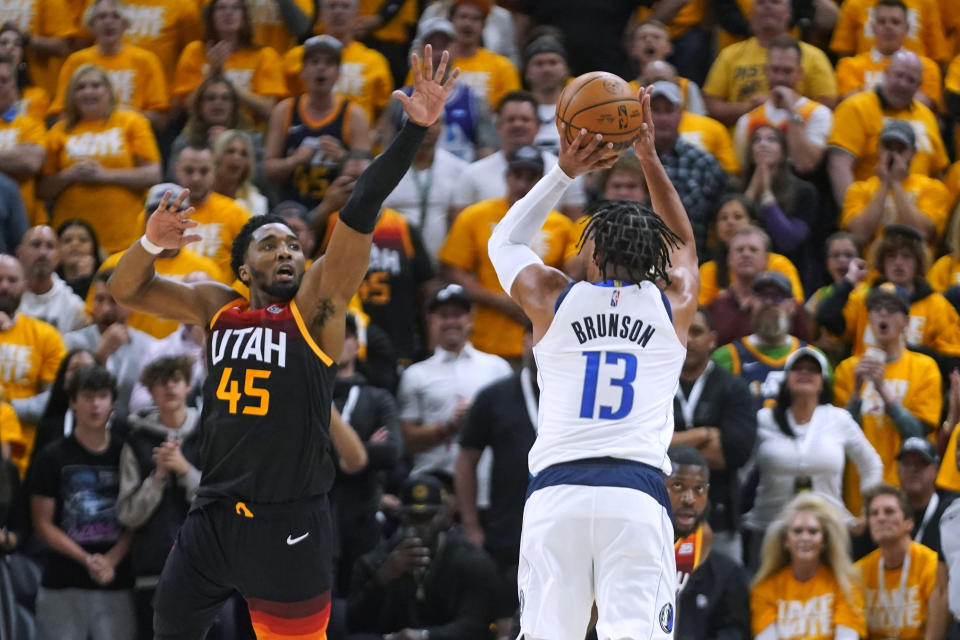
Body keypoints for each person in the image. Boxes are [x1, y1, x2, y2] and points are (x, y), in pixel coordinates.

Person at [105, 44, 454, 638]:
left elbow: (361, 205)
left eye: (293, 244)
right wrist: (151, 242)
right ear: (243, 268)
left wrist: (412, 130)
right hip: (213, 513)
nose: (288, 250)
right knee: (168, 628)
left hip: (289, 519)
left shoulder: (318, 311)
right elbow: (127, 288)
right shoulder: (218, 306)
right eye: (270, 244)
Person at [486, 85, 699, 637]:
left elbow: (504, 245)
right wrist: (649, 157)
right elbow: (685, 251)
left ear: (593, 253)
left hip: (557, 494)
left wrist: (563, 171)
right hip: (635, 494)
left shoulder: (554, 299)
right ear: (653, 260)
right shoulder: (669, 304)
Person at [743, 346, 883, 567]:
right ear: (786, 379)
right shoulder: (764, 419)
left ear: (823, 381)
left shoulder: (839, 419)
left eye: (813, 369)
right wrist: (739, 509)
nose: (805, 372)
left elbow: (871, 464)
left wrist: (867, 510)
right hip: (769, 529)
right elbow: (741, 468)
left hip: (830, 532)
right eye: (797, 368)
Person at [440, 144, 577, 361]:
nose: (522, 184)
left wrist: (537, 303)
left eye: (531, 177)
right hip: (486, 343)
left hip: (542, 347)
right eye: (517, 175)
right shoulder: (474, 216)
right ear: (506, 177)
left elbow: (573, 279)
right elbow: (452, 270)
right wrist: (498, 300)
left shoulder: (562, 226)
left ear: (542, 181)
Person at [29, 365, 136, 640]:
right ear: (73, 402)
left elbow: (138, 515)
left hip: (116, 581)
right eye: (87, 396)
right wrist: (88, 560)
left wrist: (110, 560)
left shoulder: (127, 452)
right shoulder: (52, 457)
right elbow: (42, 523)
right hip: (62, 583)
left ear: (112, 403)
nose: (95, 404)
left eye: (102, 396)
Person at [345, 473, 502, 639]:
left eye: (428, 517)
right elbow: (354, 624)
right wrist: (381, 579)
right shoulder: (375, 561)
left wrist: (425, 636)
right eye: (413, 517)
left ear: (444, 516)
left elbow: (476, 625)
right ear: (401, 516)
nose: (420, 527)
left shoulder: (471, 560)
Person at [455, 320, 538, 630]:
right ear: (523, 342)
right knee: (504, 624)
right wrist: (471, 526)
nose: (539, 345)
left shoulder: (577, 394)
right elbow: (466, 461)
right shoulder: (494, 396)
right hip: (506, 530)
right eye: (534, 336)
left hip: (561, 526)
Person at [833, 282, 943, 515]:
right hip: (858, 495)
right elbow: (840, 436)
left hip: (905, 498)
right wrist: (856, 391)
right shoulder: (847, 369)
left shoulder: (925, 368)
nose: (883, 313)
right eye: (877, 308)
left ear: (906, 321)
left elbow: (916, 433)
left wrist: (882, 388)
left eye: (892, 309)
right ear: (869, 318)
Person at [116, 355, 201, 639]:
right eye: (161, 383)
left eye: (176, 380)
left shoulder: (209, 433)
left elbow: (226, 503)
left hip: (206, 571)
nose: (169, 388)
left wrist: (185, 470)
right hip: (153, 570)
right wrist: (159, 477)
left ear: (188, 385)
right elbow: (127, 514)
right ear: (150, 391)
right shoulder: (136, 440)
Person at [396, 284, 511, 492]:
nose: (450, 322)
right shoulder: (415, 374)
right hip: (433, 486)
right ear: (431, 320)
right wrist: (449, 426)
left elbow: (512, 428)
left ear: (470, 318)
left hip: (489, 484)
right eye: (443, 315)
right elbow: (407, 440)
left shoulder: (497, 368)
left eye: (457, 315)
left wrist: (479, 417)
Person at [38, 64, 162, 255]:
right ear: (71, 95)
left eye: (95, 86)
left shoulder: (132, 121)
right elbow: (43, 189)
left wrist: (104, 175)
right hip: (72, 240)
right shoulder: (58, 131)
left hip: (124, 235)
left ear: (109, 91)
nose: (88, 92)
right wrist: (69, 175)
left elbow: (153, 174)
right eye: (81, 87)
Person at [672, 308, 757, 562]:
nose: (687, 339)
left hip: (720, 519)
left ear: (713, 339)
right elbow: (641, 443)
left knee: (724, 597)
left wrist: (670, 442)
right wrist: (704, 434)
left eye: (696, 332)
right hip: (657, 519)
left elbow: (734, 453)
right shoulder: (653, 382)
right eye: (682, 331)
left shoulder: (734, 388)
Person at [330, 313, 401, 596]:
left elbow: (392, 451)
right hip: (319, 514)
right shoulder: (306, 395)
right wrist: (359, 450)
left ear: (356, 344)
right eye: (330, 334)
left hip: (363, 514)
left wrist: (338, 455)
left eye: (345, 335)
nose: (336, 341)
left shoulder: (377, 396)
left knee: (362, 598)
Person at [264, 34, 372, 211]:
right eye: (314, 62)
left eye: (329, 63)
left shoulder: (354, 115)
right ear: (303, 71)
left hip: (338, 211)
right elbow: (268, 170)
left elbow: (366, 176)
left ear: (338, 73)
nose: (321, 68)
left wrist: (343, 158)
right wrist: (294, 160)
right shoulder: (284, 110)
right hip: (291, 210)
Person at [827, 50, 947, 208]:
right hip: (870, 208)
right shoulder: (855, 107)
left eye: (911, 80)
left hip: (916, 213)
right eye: (899, 75)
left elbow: (937, 173)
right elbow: (839, 165)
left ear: (919, 86)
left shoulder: (927, 116)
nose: (903, 84)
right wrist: (852, 213)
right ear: (886, 73)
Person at [452, 90, 586, 219]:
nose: (518, 124)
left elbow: (574, 232)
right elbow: (460, 230)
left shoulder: (563, 173)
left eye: (525, 119)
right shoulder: (472, 174)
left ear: (538, 126)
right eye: (511, 119)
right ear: (498, 126)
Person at [702, 0, 838, 126]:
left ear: (789, 12)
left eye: (775, 2)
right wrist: (750, 108)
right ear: (752, 13)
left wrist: (782, 104)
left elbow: (827, 104)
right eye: (761, 3)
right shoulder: (729, 55)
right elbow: (711, 105)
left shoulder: (814, 56)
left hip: (797, 136)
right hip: (744, 139)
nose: (768, 6)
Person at [750, 493, 867, 639]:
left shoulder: (846, 586)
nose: (805, 538)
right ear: (786, 540)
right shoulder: (765, 589)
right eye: (797, 531)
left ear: (824, 541)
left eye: (813, 531)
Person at [666, 445, 751, 640]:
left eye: (699, 489)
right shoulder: (628, 559)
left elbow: (733, 633)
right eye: (678, 486)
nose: (689, 499)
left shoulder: (728, 574)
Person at [50, 0, 170, 130]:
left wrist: (127, 115)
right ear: (90, 24)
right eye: (102, 17)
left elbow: (160, 119)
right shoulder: (76, 62)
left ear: (125, 24)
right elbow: (61, 114)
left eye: (116, 16)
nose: (108, 22)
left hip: (132, 137)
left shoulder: (146, 60)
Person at [0, 254, 67, 474]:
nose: (4, 287)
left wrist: (7, 405)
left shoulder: (46, 336)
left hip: (25, 461)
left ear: (25, 285)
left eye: (11, 280)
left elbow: (54, 401)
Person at [841, 119, 950, 252]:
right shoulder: (859, 189)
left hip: (918, 269)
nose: (893, 154)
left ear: (913, 152)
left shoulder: (933, 188)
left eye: (900, 149)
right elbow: (859, 235)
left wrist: (897, 184)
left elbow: (921, 232)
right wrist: (885, 184)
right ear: (878, 149)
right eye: (888, 147)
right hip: (871, 270)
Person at [648, 80, 728, 261]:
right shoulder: (628, 161)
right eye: (656, 110)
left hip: (691, 263)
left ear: (681, 114)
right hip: (637, 267)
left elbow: (723, 212)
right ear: (644, 114)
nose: (662, 118)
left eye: (669, 110)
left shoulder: (703, 163)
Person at [171, 0, 287, 124]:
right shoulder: (194, 51)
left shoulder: (264, 55)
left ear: (245, 16)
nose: (228, 13)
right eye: (221, 8)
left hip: (249, 133)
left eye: (236, 8)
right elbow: (189, 108)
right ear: (210, 17)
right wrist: (211, 73)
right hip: (201, 130)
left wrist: (225, 79)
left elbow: (268, 110)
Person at [732, 35, 834, 176]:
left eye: (787, 71)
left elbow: (806, 164)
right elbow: (743, 171)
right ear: (766, 72)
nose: (780, 78)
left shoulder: (818, 113)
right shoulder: (747, 120)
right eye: (775, 70)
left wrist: (792, 112)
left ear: (799, 73)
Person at [740, 124, 822, 294]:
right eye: (757, 140)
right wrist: (753, 190)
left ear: (784, 151)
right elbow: (732, 236)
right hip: (741, 274)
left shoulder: (804, 191)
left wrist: (767, 196)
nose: (763, 144)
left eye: (772, 139)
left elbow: (788, 240)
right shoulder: (735, 188)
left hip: (789, 275)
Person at [855, 483, 940, 639]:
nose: (880, 518)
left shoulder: (931, 564)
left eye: (889, 511)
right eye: (874, 513)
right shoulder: (858, 572)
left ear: (909, 522)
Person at [381, 116, 469, 261]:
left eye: (434, 122)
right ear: (405, 127)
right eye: (419, 121)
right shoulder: (383, 167)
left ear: (442, 127)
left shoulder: (459, 168)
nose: (427, 127)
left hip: (440, 261)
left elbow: (460, 223)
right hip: (394, 260)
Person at [835, 0, 943, 108]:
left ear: (907, 29)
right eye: (882, 21)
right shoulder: (849, 66)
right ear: (872, 27)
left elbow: (918, 106)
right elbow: (855, 106)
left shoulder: (926, 68)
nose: (888, 27)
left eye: (895, 22)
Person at [173, 142, 251, 280]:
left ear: (214, 171)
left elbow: (251, 266)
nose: (196, 178)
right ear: (177, 170)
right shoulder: (160, 213)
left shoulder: (236, 212)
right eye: (189, 170)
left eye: (204, 171)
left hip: (219, 298)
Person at [0, 54, 46, 227]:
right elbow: (22, 161)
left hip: (21, 226)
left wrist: (22, 159)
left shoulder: (29, 123)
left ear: (15, 87)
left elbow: (31, 162)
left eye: (4, 80)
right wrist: (13, 159)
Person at [16, 225, 88, 333]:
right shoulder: (6, 293)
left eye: (50, 246)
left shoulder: (74, 307)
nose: (43, 253)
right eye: (35, 245)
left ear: (59, 256)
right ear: (20, 253)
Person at [212, 129, 268, 217]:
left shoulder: (257, 202)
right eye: (230, 151)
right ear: (217, 157)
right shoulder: (201, 195)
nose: (236, 157)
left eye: (243, 154)